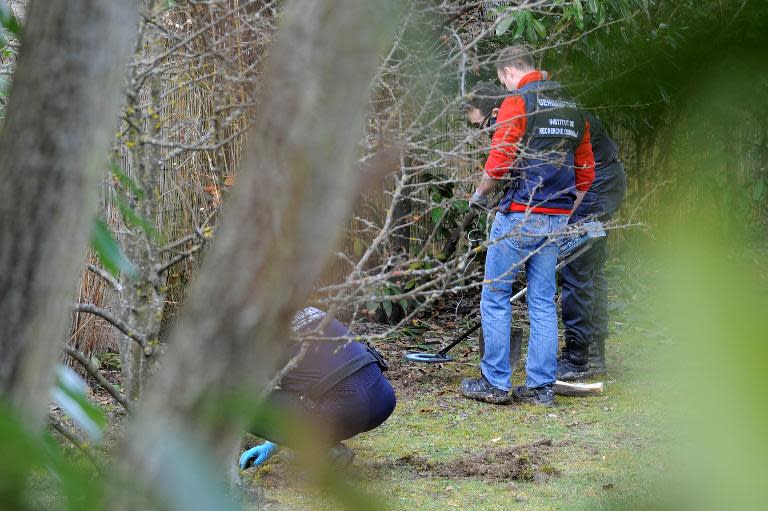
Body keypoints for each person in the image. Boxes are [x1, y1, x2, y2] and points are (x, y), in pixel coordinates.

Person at [460, 45, 595, 407]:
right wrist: (567, 211)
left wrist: (478, 195)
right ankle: (541, 388)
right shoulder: (571, 105)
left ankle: (496, 383)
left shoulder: (518, 101)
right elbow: (586, 171)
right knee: (541, 301)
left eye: (503, 80)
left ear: (508, 71)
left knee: (496, 296)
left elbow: (500, 159)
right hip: (556, 218)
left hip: (520, 215)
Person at [238, 307, 396, 469]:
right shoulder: (306, 309)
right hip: (383, 400)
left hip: (347, 411)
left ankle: (326, 452)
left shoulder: (253, 331)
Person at [556, 114, 626, 380]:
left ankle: (578, 358)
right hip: (603, 179)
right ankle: (593, 353)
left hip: (595, 183)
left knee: (578, 267)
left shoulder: (539, 109)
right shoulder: (558, 104)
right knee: (591, 269)